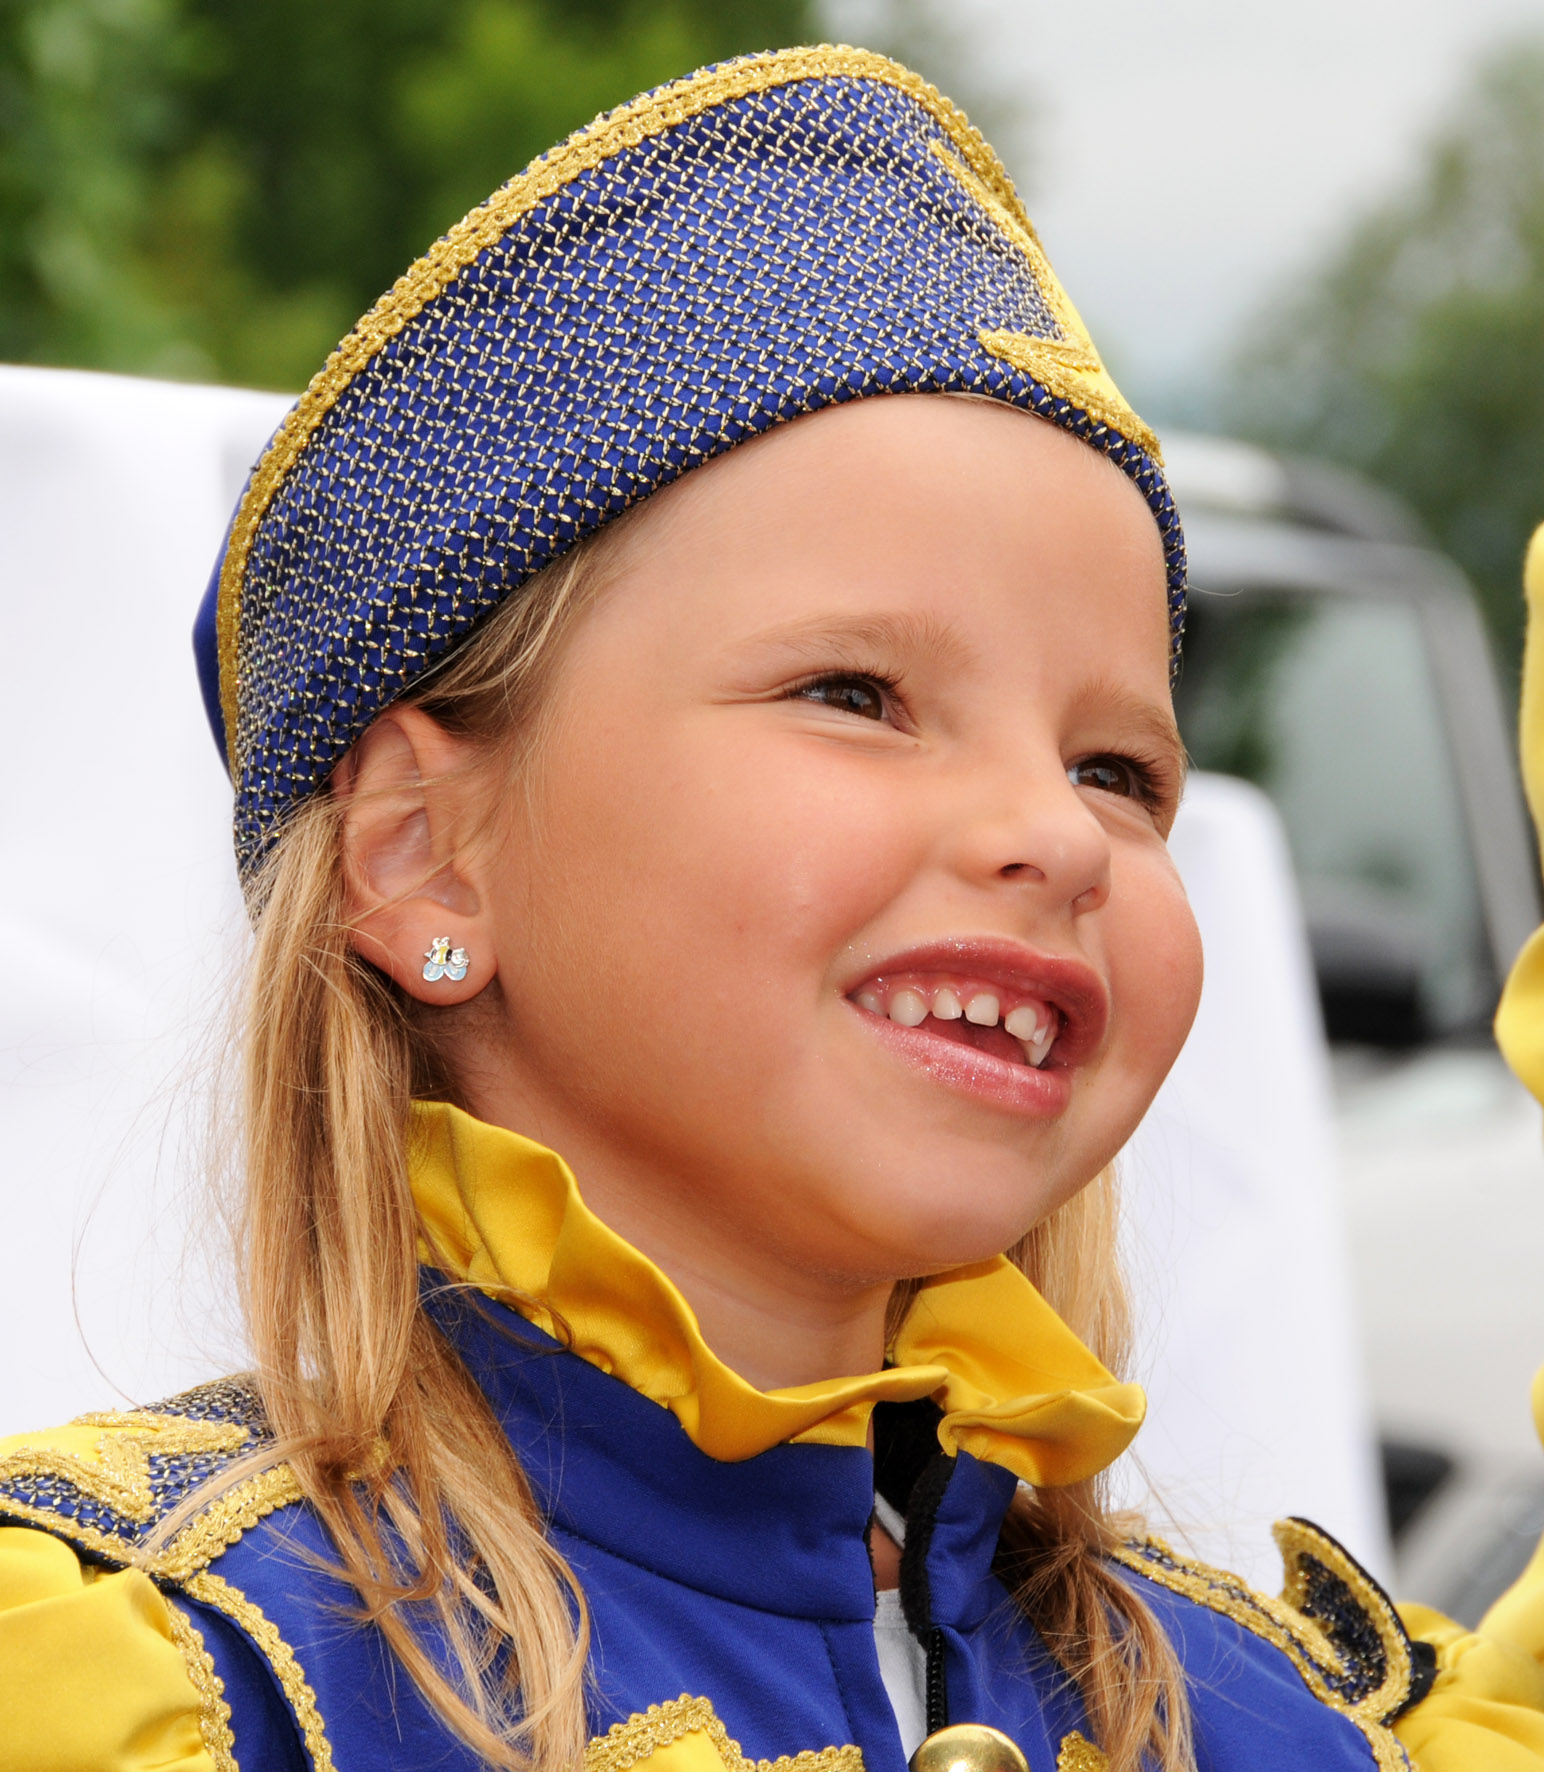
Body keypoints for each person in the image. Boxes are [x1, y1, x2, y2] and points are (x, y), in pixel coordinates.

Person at [2, 44, 1543, 1772]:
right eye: (856, 694)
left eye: (1121, 769)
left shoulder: (1275, 1722)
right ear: (423, 851)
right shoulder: (172, 1688)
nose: (1056, 833)